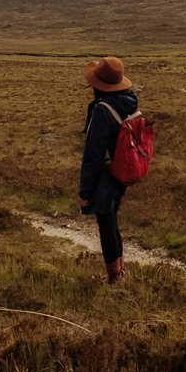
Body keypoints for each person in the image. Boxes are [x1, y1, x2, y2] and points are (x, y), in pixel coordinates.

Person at [79, 56, 139, 284]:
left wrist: (85, 193)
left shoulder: (103, 110)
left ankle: (115, 278)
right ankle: (119, 272)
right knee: (112, 220)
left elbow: (92, 155)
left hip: (106, 173)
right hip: (121, 170)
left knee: (106, 224)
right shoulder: (129, 100)